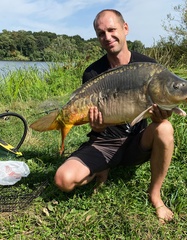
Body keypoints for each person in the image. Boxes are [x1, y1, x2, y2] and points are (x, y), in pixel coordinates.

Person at [54, 9, 174, 223]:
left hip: (137, 140)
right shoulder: (92, 73)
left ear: (125, 28)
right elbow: (93, 121)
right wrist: (97, 127)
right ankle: (103, 167)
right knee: (63, 180)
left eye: (112, 30)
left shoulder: (148, 67)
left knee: (165, 128)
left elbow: (156, 111)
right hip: (104, 142)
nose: (107, 37)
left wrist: (159, 117)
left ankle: (155, 195)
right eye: (101, 33)